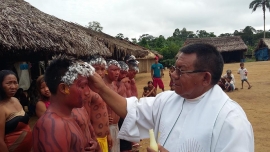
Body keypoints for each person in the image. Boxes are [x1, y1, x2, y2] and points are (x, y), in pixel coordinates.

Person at [87, 43, 254, 151]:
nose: (173, 75)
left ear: (205, 78)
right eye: (174, 68)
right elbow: (132, 110)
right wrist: (100, 88)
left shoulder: (230, 120)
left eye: (181, 70)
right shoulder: (167, 100)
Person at [32, 56, 98, 152]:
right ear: (63, 88)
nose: (88, 92)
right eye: (82, 86)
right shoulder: (53, 125)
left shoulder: (68, 116)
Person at [0, 70, 32, 152]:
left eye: (15, 82)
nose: (13, 86)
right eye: (9, 83)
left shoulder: (15, 100)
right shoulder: (1, 107)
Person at [89, 56, 112, 152]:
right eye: (96, 69)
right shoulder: (87, 90)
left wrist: (108, 134)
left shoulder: (103, 89)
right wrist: (92, 139)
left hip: (104, 137)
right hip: (95, 139)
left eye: (102, 69)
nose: (99, 72)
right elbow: (86, 119)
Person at [103, 60, 121, 152]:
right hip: (108, 127)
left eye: (118, 70)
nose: (117, 72)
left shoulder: (114, 84)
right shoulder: (102, 86)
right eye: (114, 70)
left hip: (116, 125)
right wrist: (104, 117)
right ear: (106, 70)